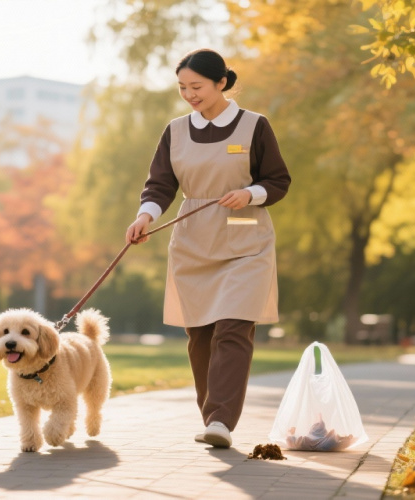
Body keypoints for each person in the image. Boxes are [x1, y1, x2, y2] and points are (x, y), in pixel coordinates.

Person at [125, 48, 291, 448]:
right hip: (194, 241)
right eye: (183, 87)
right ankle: (212, 417)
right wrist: (146, 216)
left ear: (221, 82)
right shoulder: (176, 130)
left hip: (245, 240)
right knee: (199, 335)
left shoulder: (255, 126)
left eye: (196, 86)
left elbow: (278, 180)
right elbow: (161, 184)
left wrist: (250, 193)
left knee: (233, 327)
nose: (189, 94)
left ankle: (220, 420)